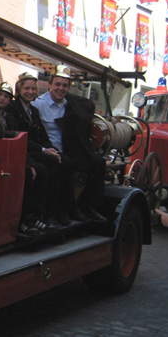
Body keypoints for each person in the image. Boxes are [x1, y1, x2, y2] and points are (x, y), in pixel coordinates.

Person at [32, 65, 106, 222]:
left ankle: (88, 206)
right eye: (57, 84)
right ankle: (64, 211)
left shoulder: (71, 104)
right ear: (50, 85)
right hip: (51, 150)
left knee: (98, 163)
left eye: (64, 85)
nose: (60, 88)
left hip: (70, 148)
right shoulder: (38, 105)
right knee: (65, 163)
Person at [0, 81, 48, 235]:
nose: (2, 99)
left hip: (11, 156)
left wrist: (30, 162)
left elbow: (19, 141)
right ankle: (21, 220)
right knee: (24, 173)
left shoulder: (9, 117)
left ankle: (35, 215)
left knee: (38, 171)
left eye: (6, 96)